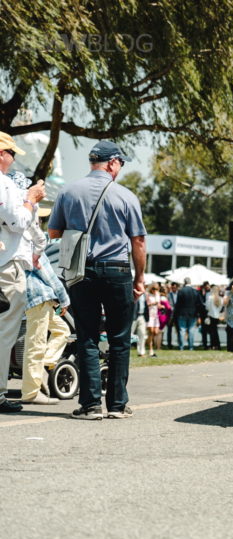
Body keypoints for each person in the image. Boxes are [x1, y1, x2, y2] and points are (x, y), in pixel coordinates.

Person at [48, 140, 146, 420]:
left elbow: (54, 233)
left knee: (87, 336)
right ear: (112, 163)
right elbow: (137, 241)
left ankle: (90, 405)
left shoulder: (68, 191)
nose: (121, 169)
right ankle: (117, 405)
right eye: (121, 164)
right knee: (119, 337)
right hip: (117, 270)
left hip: (82, 271)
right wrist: (139, 278)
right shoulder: (126, 196)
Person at [0, 132, 46, 413]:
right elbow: (17, 222)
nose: (14, 158)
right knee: (5, 331)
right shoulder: (3, 183)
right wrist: (30, 199)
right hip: (7, 264)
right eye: (11, 153)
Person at [21, 249, 71, 405]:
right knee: (35, 344)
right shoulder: (32, 244)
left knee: (62, 330)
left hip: (43, 299)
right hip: (37, 296)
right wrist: (64, 298)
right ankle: (31, 393)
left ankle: (43, 365)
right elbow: (48, 274)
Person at [175, 277, 201, 350]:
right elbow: (198, 304)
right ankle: (191, 346)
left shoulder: (181, 291)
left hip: (182, 313)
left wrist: (176, 313)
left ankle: (181, 346)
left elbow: (178, 304)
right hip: (193, 313)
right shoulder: (195, 291)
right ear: (190, 282)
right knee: (191, 330)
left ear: (184, 282)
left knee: (182, 330)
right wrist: (198, 314)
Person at [145, 283, 162, 357]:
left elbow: (158, 304)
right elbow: (147, 305)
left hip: (155, 315)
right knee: (151, 332)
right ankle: (151, 349)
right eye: (154, 289)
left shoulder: (158, 294)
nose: (155, 290)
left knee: (156, 332)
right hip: (149, 315)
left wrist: (161, 306)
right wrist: (153, 304)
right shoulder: (148, 294)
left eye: (157, 289)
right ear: (151, 289)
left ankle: (146, 342)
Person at [205, 284, 223, 349]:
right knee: (215, 331)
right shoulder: (220, 299)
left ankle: (213, 345)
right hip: (217, 316)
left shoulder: (210, 298)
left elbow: (207, 307)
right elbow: (221, 308)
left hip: (211, 315)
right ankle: (217, 345)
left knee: (212, 332)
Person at [132, 291, 148, 357]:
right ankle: (126, 352)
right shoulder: (132, 292)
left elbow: (145, 305)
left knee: (142, 334)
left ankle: (141, 352)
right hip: (133, 316)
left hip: (142, 316)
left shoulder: (144, 294)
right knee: (129, 334)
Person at [165, 281, 179, 348]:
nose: (174, 289)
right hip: (170, 314)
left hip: (177, 314)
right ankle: (169, 344)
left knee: (179, 329)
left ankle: (180, 343)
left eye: (175, 288)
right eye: (173, 287)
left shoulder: (179, 294)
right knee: (169, 329)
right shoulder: (168, 295)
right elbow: (167, 303)